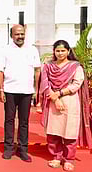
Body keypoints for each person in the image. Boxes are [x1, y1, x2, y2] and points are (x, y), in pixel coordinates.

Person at [39, 40, 92, 171]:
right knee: (53, 132)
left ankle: (69, 159)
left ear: (68, 51)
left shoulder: (75, 67)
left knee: (69, 132)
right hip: (53, 102)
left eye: (63, 50)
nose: (60, 53)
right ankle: (56, 157)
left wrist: (60, 93)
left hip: (70, 101)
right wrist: (55, 99)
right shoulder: (48, 66)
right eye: (58, 50)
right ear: (54, 52)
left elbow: (76, 84)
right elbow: (45, 85)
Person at [0, 24, 41, 162]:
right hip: (9, 90)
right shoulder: (5, 50)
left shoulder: (32, 49)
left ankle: (23, 150)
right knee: (9, 120)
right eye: (17, 34)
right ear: (11, 35)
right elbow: (0, 71)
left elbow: (37, 70)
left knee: (24, 122)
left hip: (26, 91)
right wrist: (1, 89)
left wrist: (36, 90)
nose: (20, 36)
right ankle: (9, 149)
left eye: (22, 34)